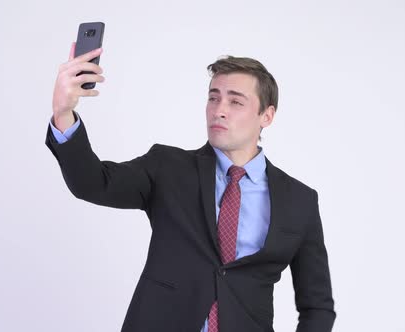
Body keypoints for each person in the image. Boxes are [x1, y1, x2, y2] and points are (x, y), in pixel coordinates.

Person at [45, 43, 336, 332]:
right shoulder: (167, 167)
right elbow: (93, 183)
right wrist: (63, 113)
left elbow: (317, 306)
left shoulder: (300, 201)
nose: (219, 110)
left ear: (267, 116)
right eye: (213, 98)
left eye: (235, 102)